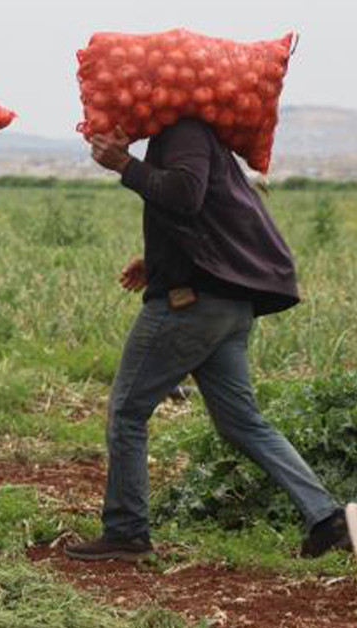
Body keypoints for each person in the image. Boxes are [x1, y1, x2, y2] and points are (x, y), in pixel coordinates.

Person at [68, 121, 352, 561]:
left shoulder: (184, 132)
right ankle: (326, 518)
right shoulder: (201, 138)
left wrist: (123, 164)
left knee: (127, 411)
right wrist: (159, 260)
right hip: (227, 305)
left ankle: (126, 530)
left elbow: (184, 194)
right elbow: (210, 212)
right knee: (242, 423)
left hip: (190, 307)